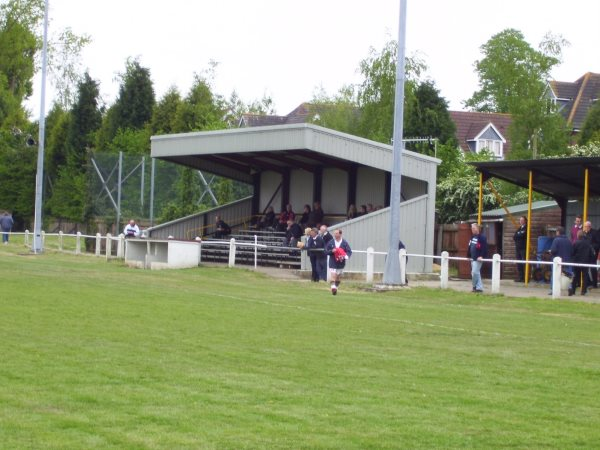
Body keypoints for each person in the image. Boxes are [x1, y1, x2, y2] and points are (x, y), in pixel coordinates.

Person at [325, 229, 352, 295]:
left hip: (341, 262)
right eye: (334, 233)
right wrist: (332, 251)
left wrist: (346, 256)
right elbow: (325, 251)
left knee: (338, 277)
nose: (335, 235)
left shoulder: (344, 243)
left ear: (340, 234)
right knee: (333, 275)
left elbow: (349, 251)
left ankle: (336, 288)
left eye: (337, 233)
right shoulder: (331, 242)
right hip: (333, 261)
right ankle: (333, 288)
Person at [569, 230, 596, 296]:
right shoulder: (588, 243)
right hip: (585, 263)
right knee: (585, 277)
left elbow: (572, 253)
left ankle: (573, 290)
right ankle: (583, 291)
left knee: (575, 277)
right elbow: (592, 254)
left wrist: (573, 260)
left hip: (576, 262)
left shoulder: (575, 243)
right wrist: (590, 261)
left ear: (578, 235)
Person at [548, 226, 573, 294]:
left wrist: (550, 251)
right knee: (568, 275)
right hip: (567, 261)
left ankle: (553, 289)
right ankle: (570, 287)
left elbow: (554, 250)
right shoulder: (569, 240)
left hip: (558, 261)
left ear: (558, 232)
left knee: (555, 275)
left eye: (556, 231)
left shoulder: (556, 240)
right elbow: (571, 251)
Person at [467, 223, 487, 293]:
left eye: (473, 228)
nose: (472, 229)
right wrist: (468, 256)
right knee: (476, 273)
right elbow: (470, 247)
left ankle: (474, 286)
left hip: (478, 258)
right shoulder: (472, 237)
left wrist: (481, 256)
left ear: (477, 229)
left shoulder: (482, 237)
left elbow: (484, 248)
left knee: (474, 272)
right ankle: (479, 288)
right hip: (473, 258)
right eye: (471, 228)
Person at [583, 220, 599, 289]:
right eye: (585, 226)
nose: (585, 228)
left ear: (589, 227)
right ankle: (587, 283)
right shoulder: (583, 233)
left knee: (593, 268)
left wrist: (591, 246)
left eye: (586, 227)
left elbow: (598, 244)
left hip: (592, 254)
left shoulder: (595, 233)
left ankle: (594, 284)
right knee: (585, 268)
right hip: (585, 253)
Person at [513, 216, 527, 282]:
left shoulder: (526, 228)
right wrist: (519, 234)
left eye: (522, 220)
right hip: (518, 248)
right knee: (518, 263)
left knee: (523, 262)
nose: (520, 221)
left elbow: (522, 235)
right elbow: (514, 237)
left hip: (523, 248)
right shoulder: (519, 228)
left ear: (525, 221)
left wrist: (519, 234)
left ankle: (525, 278)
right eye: (520, 220)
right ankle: (520, 277)